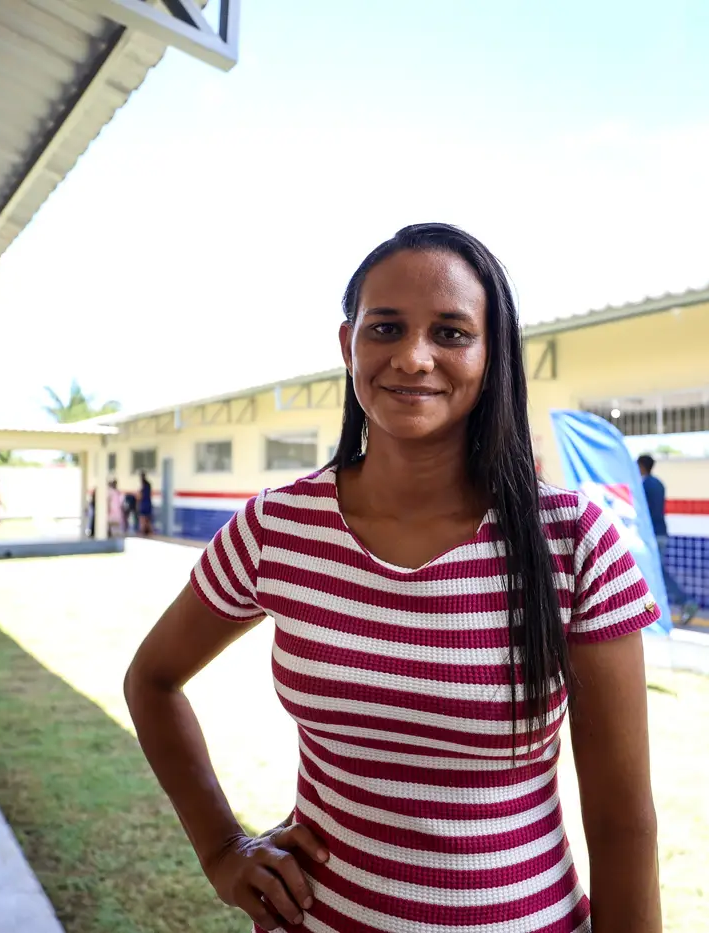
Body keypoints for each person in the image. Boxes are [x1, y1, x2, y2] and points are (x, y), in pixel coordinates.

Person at [124, 224, 663, 933]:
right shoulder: (276, 528)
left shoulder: (573, 541)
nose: (413, 358)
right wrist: (224, 849)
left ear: (492, 352)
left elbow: (623, 823)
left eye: (450, 332)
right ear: (347, 342)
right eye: (386, 328)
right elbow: (152, 680)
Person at [637, 453, 700, 625]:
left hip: (652, 535)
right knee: (655, 573)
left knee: (655, 574)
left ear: (641, 466)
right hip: (662, 532)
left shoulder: (643, 486)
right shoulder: (658, 484)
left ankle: (684, 602)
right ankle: (653, 609)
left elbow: (643, 513)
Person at [137, 470, 153, 536]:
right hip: (148, 503)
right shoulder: (148, 484)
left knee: (142, 518)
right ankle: (150, 532)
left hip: (144, 504)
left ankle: (142, 531)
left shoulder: (143, 485)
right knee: (148, 519)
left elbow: (140, 496)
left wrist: (137, 500)